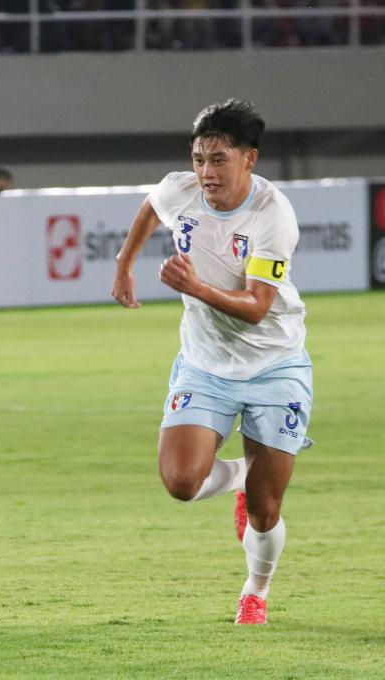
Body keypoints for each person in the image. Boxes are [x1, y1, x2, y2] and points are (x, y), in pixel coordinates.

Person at [110, 99, 312, 625]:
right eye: (199, 158)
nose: (206, 172)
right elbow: (153, 206)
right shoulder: (182, 189)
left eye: (218, 159)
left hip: (275, 365)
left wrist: (195, 287)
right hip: (205, 362)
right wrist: (125, 262)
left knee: (267, 511)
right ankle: (245, 476)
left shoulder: (272, 215)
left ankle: (256, 591)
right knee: (181, 482)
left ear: (250, 158)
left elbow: (258, 308)